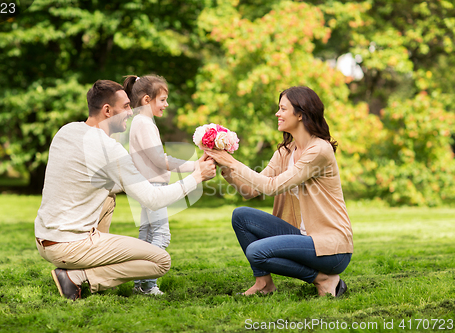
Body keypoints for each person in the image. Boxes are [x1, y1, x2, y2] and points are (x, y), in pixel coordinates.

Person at [34, 80, 216, 300]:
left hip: (44, 239)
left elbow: (111, 181)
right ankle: (79, 276)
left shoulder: (67, 130)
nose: (132, 111)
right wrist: (197, 177)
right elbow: (153, 199)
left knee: (109, 198)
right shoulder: (109, 148)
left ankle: (81, 265)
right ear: (107, 110)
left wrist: (192, 165)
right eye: (127, 106)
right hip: (71, 246)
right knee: (160, 261)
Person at [205, 86, 353, 297]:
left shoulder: (319, 150)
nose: (277, 113)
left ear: (300, 114)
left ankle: (323, 278)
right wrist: (224, 166)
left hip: (331, 247)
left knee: (256, 252)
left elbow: (272, 187)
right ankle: (264, 284)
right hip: (302, 237)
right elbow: (250, 190)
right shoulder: (286, 151)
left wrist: (232, 161)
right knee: (241, 216)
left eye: (283, 109)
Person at [122, 75, 195, 295]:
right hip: (153, 188)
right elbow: (158, 159)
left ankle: (138, 285)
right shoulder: (143, 123)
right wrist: (194, 166)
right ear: (147, 99)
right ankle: (149, 284)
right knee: (161, 236)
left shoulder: (141, 122)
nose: (166, 104)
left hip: (146, 185)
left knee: (146, 236)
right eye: (162, 100)